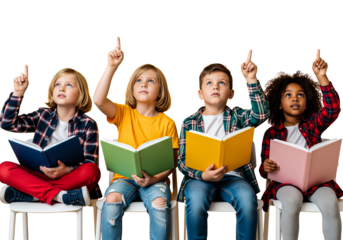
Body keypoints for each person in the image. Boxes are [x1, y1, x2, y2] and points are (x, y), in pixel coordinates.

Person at [92, 35, 179, 240]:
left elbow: (171, 161)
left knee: (159, 204)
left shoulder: (168, 122)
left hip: (156, 180)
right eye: (139, 81)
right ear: (132, 88)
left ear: (160, 92)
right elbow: (97, 100)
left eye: (151, 81)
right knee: (111, 199)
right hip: (124, 179)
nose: (144, 84)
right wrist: (111, 66)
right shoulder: (123, 112)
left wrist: (154, 178)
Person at [178, 48, 269, 240]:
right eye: (209, 83)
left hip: (234, 177)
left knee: (247, 199)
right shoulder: (189, 121)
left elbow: (261, 115)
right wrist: (202, 174)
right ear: (200, 94)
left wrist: (251, 80)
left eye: (222, 83)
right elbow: (182, 162)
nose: (216, 87)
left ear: (231, 93)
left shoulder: (237, 114)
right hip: (199, 179)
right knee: (195, 199)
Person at [258, 47, 342, 240]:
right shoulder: (271, 132)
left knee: (330, 203)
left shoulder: (313, 124)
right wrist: (266, 166)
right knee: (292, 201)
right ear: (279, 103)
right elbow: (263, 171)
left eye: (300, 95)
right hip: (285, 184)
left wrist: (322, 77)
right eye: (288, 95)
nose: (295, 98)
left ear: (308, 101)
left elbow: (332, 110)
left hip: (317, 183)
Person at [0, 64, 102, 206]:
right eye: (58, 84)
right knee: (3, 167)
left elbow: (90, 161)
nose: (61, 88)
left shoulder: (88, 123)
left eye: (69, 85)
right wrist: (18, 93)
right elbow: (7, 124)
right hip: (37, 176)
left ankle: (33, 195)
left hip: (68, 178)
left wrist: (68, 169)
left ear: (81, 93)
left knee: (93, 171)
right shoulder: (43, 114)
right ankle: (60, 196)